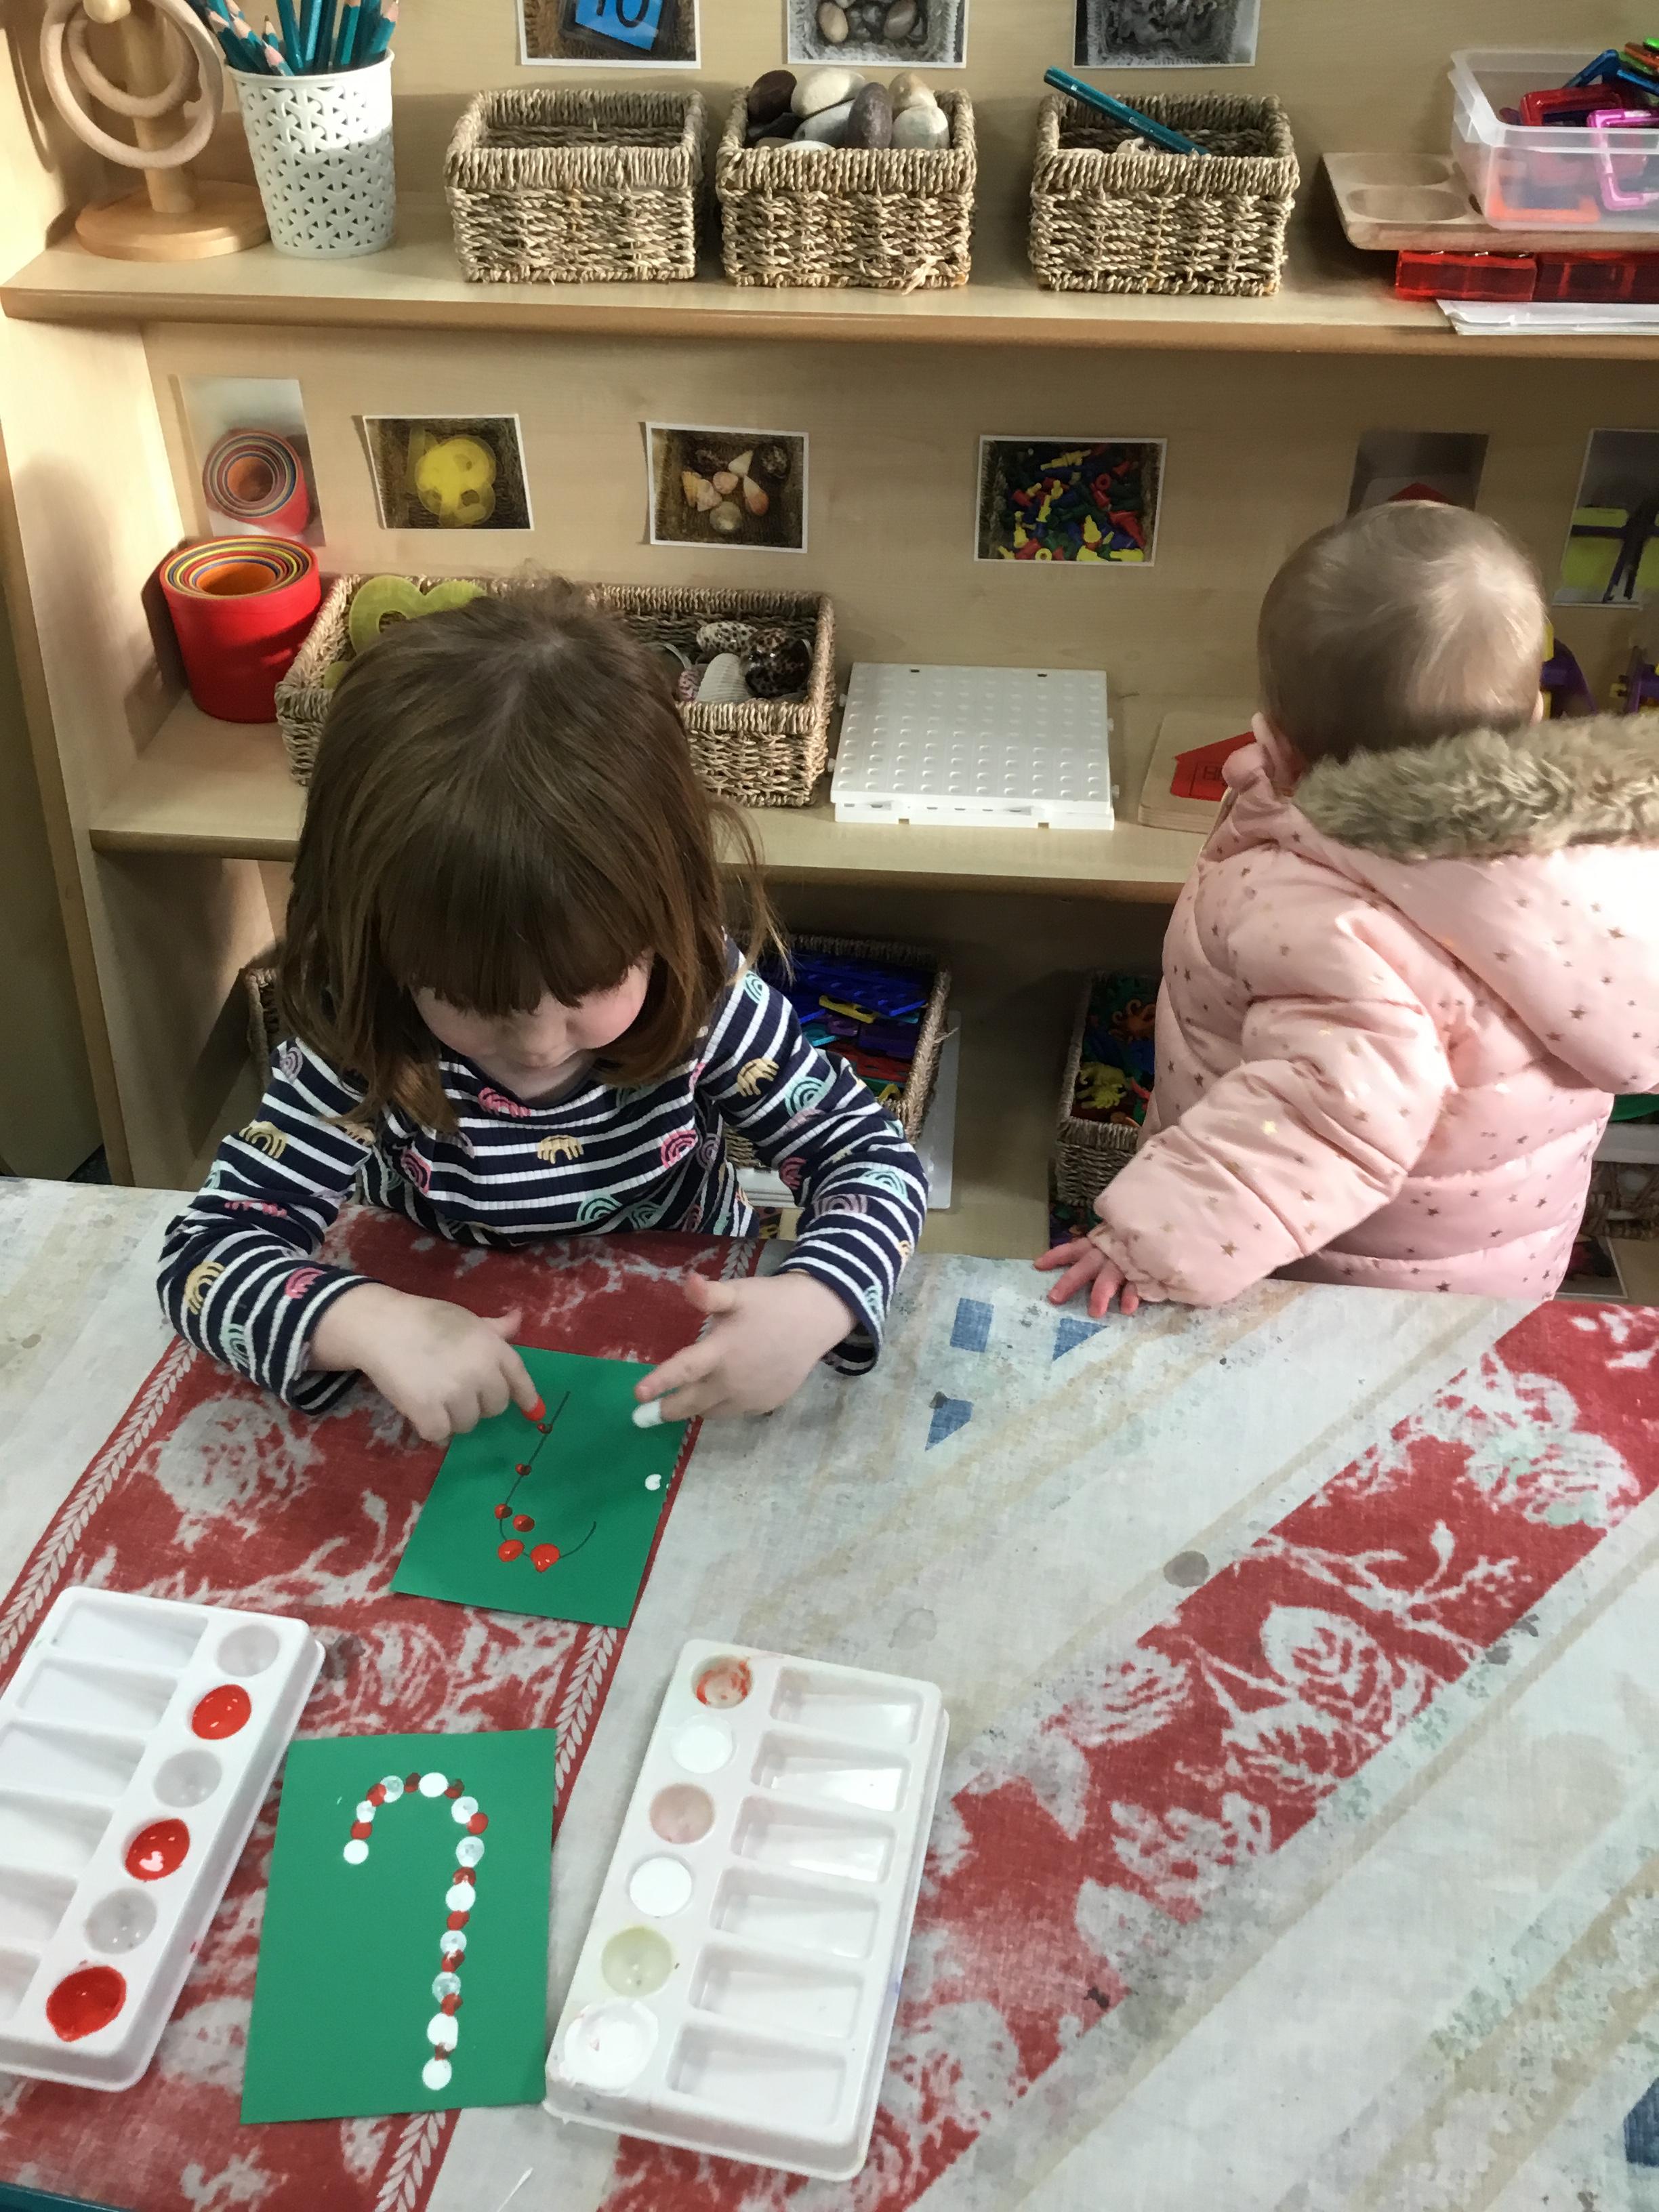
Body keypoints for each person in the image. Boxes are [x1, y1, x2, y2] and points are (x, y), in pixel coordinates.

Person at [161, 583, 926, 1439]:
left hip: (676, 1346)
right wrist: (364, 1321)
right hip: (439, 1349)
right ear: (382, 947)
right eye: (473, 1000)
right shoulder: (359, 1022)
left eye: (590, 986)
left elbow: (873, 1159)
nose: (536, 1044)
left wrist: (819, 1297)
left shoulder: (702, 989)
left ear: (663, 914)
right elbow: (205, 1254)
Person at [1040, 501, 1659, 1317]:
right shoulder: (1603, 856)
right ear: (1536, 717)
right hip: (1495, 1270)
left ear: (1282, 750)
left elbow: (1325, 1116)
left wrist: (1150, 1241)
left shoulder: (1324, 918)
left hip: (1335, 1288)